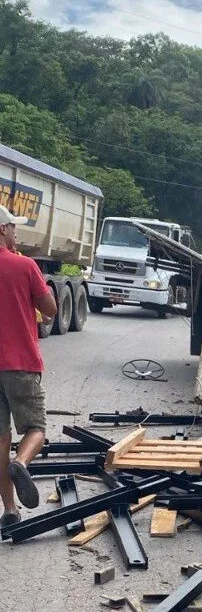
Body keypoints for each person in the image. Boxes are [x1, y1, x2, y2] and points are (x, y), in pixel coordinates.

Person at [0, 205, 57, 528]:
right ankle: (22, 463)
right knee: (36, 428)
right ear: (3, 230)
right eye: (13, 227)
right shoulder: (25, 265)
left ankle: (9, 510)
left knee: (0, 438)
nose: (16, 232)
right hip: (20, 362)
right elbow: (49, 309)